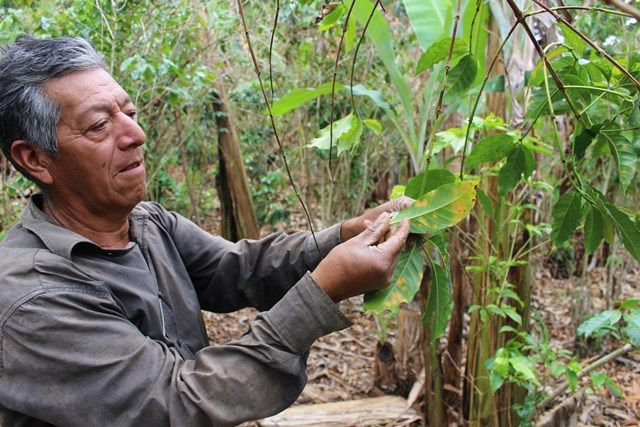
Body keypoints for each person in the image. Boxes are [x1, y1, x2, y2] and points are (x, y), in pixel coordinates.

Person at [0, 36, 410, 426]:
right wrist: (323, 290)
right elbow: (175, 405)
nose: (136, 136)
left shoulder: (146, 223)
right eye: (99, 126)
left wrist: (343, 236)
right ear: (35, 158)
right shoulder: (33, 298)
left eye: (130, 113)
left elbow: (240, 268)